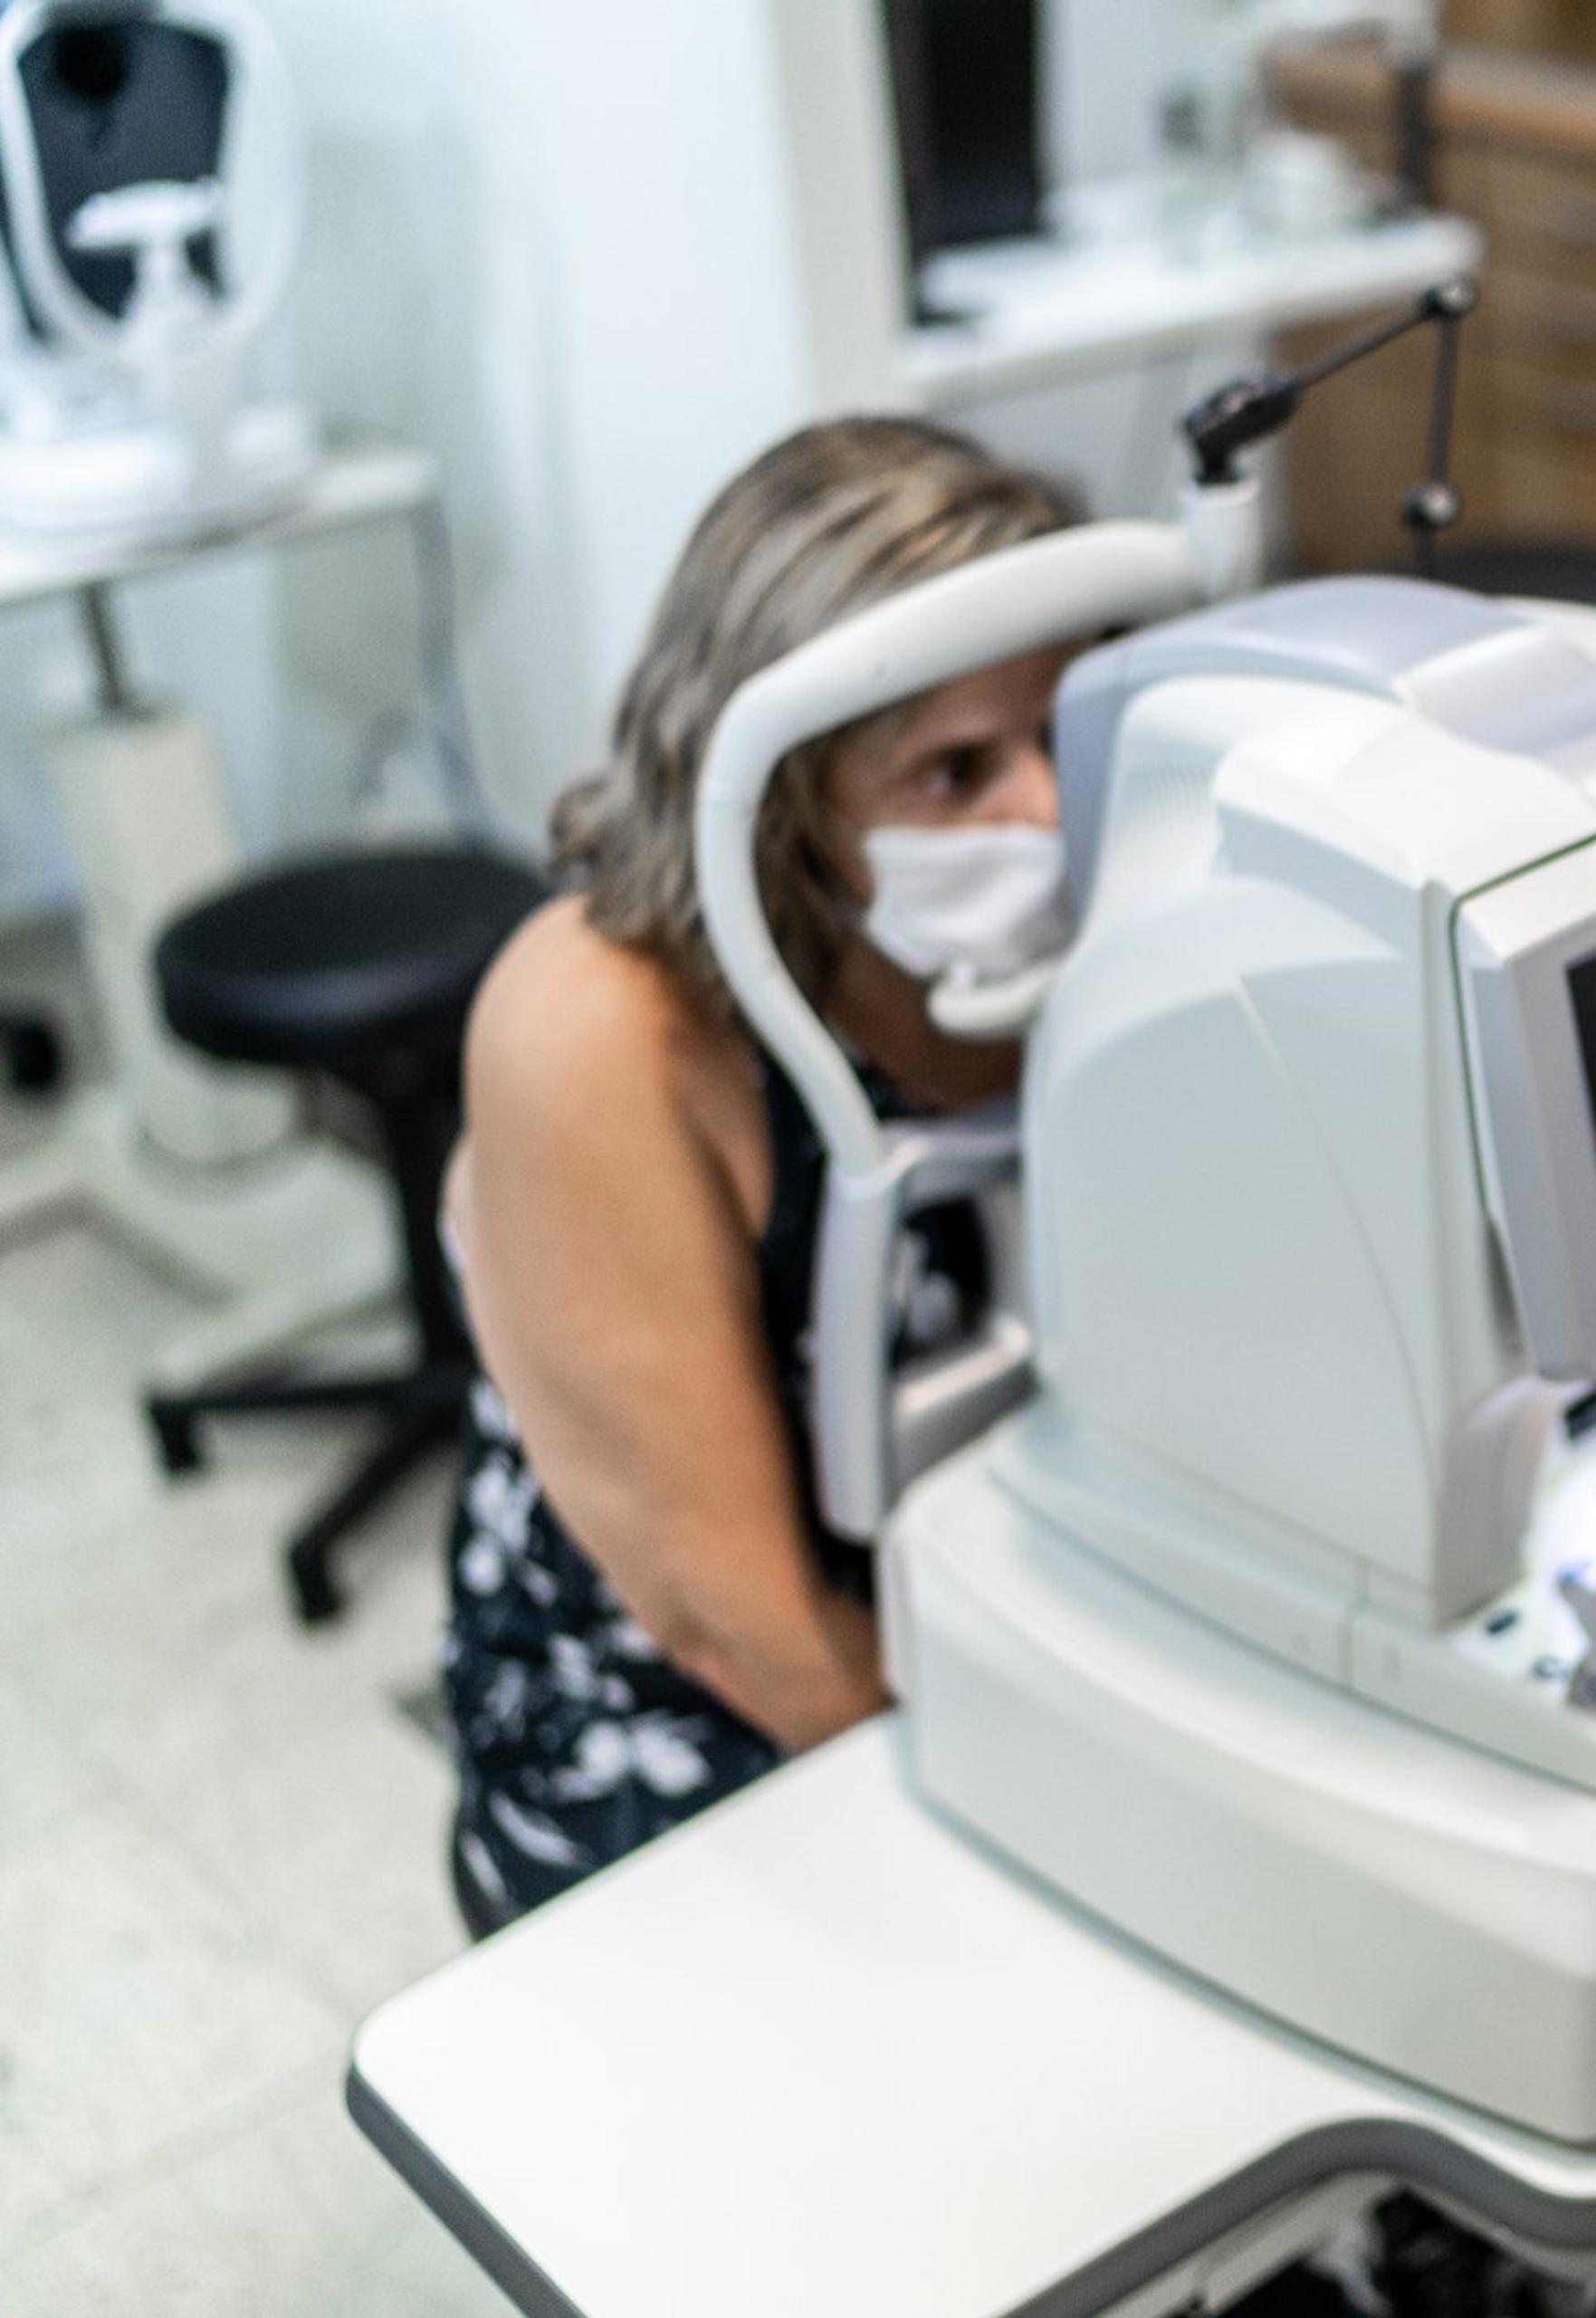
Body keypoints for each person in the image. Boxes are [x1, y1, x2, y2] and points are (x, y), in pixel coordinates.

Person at [439, 417, 1088, 1932]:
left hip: (1008, 1613)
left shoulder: (1091, 932)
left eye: (1064, 737)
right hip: (701, 1721)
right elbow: (744, 1629)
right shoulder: (606, 1028)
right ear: (790, 805)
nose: (1046, 814)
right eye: (956, 770)